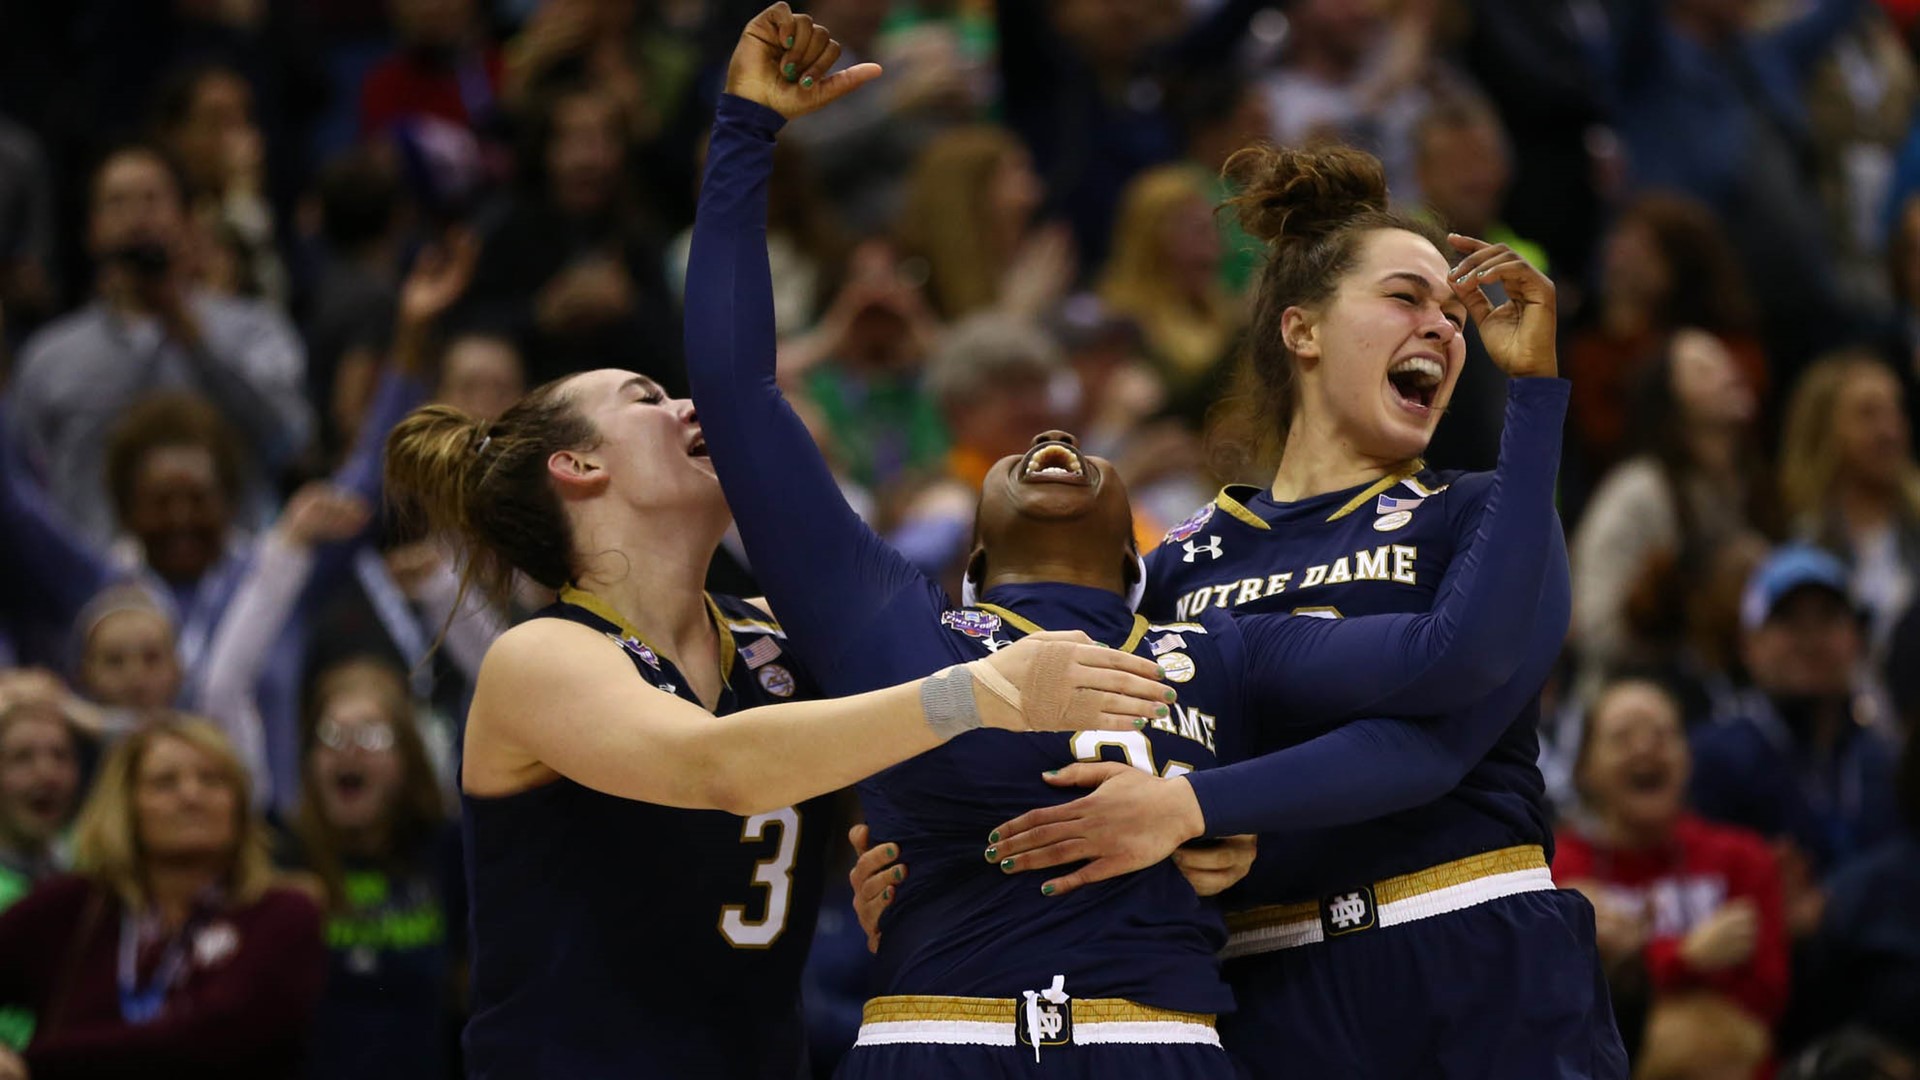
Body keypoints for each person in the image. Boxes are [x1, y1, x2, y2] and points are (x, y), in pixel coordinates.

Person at [687, 10, 1574, 1074]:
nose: (1054, 438)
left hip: (1406, 972)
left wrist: (1201, 812)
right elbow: (739, 399)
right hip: (1178, 1004)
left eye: (1451, 311)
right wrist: (744, 129)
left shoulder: (1225, 635)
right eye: (1403, 296)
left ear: (1124, 568)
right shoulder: (1146, 588)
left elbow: (1440, 706)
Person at [878, 144, 1617, 1077]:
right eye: (1404, 297)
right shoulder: (1175, 565)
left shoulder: (1485, 509)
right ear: (1302, 332)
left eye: (1453, 312)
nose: (1443, 327)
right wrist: (918, 869)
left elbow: (1439, 740)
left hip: (1468, 945)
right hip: (1263, 987)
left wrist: (1539, 393)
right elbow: (1070, 776)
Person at [382, 234, 1174, 1078]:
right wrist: (969, 693)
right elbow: (722, 770)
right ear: (576, 466)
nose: (693, 406)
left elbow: (956, 756)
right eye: (648, 397)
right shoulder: (539, 657)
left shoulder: (772, 635)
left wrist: (1186, 820)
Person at [4, 144, 311, 545]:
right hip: (98, 590)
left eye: (152, 199)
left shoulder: (252, 329)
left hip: (233, 584)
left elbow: (289, 437)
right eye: (117, 202)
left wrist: (186, 326)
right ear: (92, 231)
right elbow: (24, 484)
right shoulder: (50, 356)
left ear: (186, 219)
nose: (136, 216)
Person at [0, 717, 326, 1079]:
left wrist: (33, 1063)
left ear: (239, 804)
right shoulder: (74, 905)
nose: (191, 796)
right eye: (165, 783)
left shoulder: (282, 913)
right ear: (126, 804)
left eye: (212, 780)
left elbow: (214, 1036)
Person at [1555, 677, 1789, 1068]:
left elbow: (1766, 999)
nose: (1645, 748)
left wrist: (1631, 964)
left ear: (1688, 757)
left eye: (1662, 734)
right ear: (1585, 769)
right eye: (1622, 737)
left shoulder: (1744, 858)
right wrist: (1685, 957)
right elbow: (1568, 1006)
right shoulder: (1560, 871)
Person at [1690, 546, 1903, 910]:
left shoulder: (1884, 758)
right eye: (1788, 621)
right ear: (1749, 644)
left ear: (1856, 638)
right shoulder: (1713, 760)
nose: (1811, 638)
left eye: (1828, 618)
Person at [283, 657, 464, 1080]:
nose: (349, 749)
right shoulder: (281, 856)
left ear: (408, 758)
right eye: (331, 735)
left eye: (372, 736)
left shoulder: (448, 851)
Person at [1779, 353, 1920, 653]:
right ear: (1824, 429)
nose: (1889, 431)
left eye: (1895, 412)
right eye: (1868, 414)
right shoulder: (1798, 542)